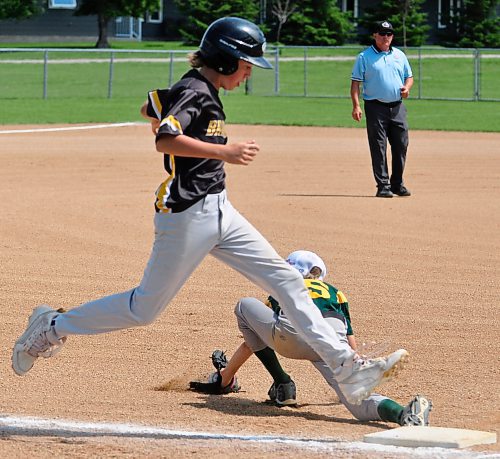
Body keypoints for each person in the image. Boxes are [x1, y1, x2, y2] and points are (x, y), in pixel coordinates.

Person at [12, 17, 407, 406]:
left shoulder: (197, 89)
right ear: (226, 60)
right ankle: (52, 326)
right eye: (248, 65)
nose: (249, 74)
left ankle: (349, 367)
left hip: (221, 211)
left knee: (286, 281)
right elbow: (166, 138)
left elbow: (150, 107)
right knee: (143, 309)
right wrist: (226, 152)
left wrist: (162, 107)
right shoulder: (197, 91)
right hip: (187, 216)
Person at [190, 250, 431, 426]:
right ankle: (404, 414)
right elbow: (349, 340)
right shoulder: (336, 293)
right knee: (360, 405)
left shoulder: (286, 284)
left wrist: (225, 378)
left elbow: (250, 342)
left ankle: (283, 383)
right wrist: (351, 373)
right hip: (330, 345)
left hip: (292, 337)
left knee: (244, 307)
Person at [350, 20, 414, 198]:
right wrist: (356, 106)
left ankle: (397, 183)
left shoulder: (399, 55)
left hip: (397, 106)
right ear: (375, 35)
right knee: (379, 147)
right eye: (382, 33)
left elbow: (409, 77)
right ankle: (383, 185)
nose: (386, 37)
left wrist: (407, 88)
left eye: (389, 34)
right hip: (375, 106)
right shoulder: (364, 57)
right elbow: (355, 83)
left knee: (401, 144)